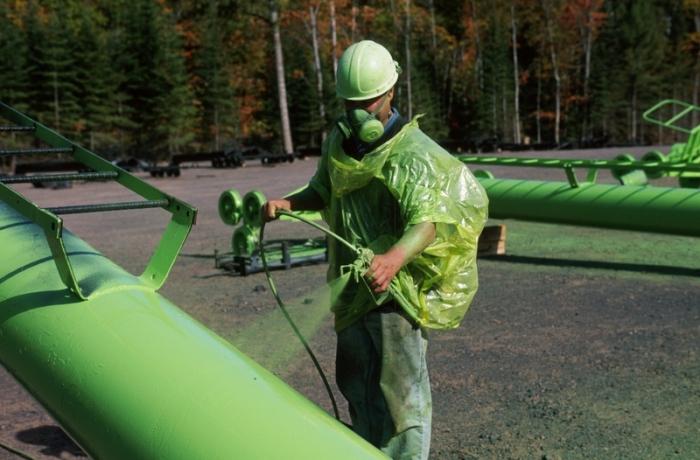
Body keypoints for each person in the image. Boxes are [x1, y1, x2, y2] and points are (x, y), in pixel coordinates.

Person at [263, 40, 488, 460]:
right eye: (350, 104)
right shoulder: (341, 141)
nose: (358, 114)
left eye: (367, 103)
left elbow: (429, 221)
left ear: (390, 94)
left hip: (392, 295)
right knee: (358, 385)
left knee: (401, 399)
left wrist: (394, 258)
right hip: (351, 288)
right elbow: (323, 190)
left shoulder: (411, 153)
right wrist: (288, 204)